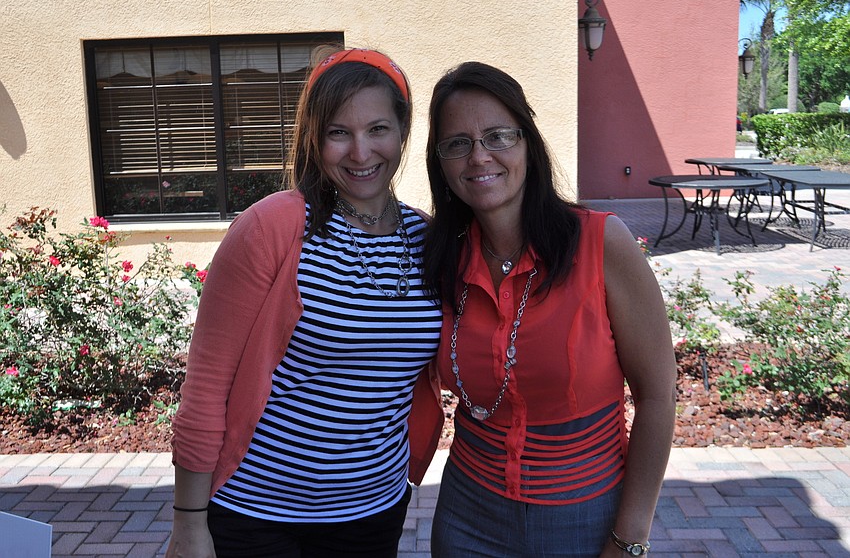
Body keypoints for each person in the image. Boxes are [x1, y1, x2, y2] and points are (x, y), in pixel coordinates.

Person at [166, 48, 445, 558]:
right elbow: (207, 385)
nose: (361, 152)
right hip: (258, 514)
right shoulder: (271, 227)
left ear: (403, 132)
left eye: (377, 129)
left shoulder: (426, 239)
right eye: (339, 132)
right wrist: (188, 523)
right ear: (315, 138)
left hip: (373, 512)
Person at [422, 62, 677, 557]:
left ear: (528, 145)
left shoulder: (601, 244)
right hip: (465, 515)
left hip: (584, 515)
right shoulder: (439, 257)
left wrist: (630, 538)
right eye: (457, 143)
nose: (479, 157)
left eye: (498, 136)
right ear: (441, 162)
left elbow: (658, 396)